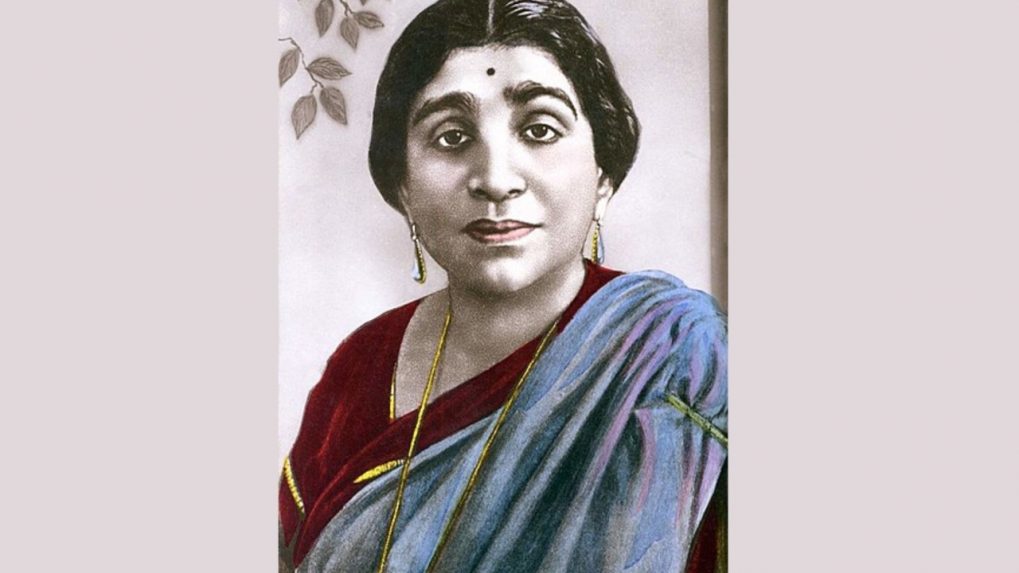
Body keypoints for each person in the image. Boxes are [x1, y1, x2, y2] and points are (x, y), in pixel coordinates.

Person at [279, 0, 728, 571]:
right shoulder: (361, 366)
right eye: (451, 137)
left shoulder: (677, 357)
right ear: (403, 187)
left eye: (539, 130)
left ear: (604, 176)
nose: (494, 180)